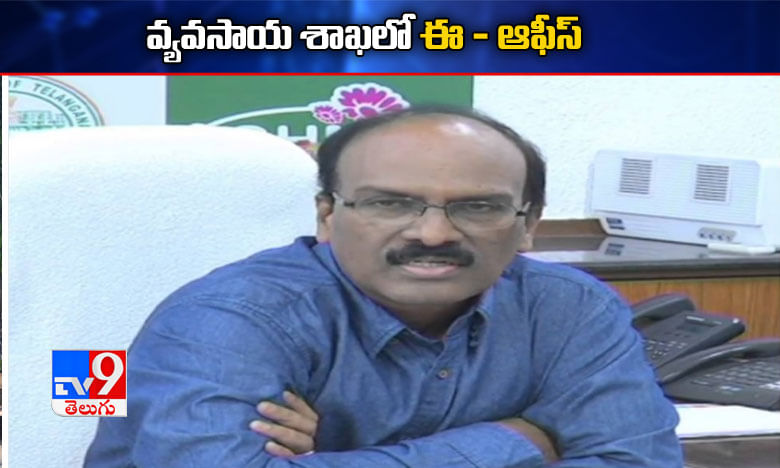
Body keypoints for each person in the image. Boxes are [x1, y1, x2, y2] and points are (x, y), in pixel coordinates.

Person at [85, 105, 682, 467]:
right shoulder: (230, 318)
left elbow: (637, 460)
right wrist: (516, 442)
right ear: (327, 216)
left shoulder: (570, 308)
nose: (433, 233)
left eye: (477, 207)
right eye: (389, 203)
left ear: (528, 224)